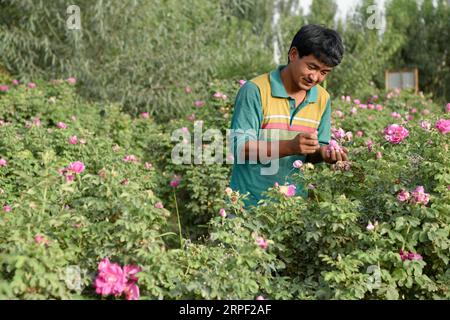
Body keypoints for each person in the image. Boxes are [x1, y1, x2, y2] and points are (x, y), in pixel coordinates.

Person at [230, 24, 348, 209]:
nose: (315, 77)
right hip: (247, 207)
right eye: (312, 67)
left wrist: (324, 154)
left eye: (324, 72)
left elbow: (317, 150)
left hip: (293, 211)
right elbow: (240, 149)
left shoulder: (322, 99)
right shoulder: (255, 91)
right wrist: (290, 146)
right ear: (293, 54)